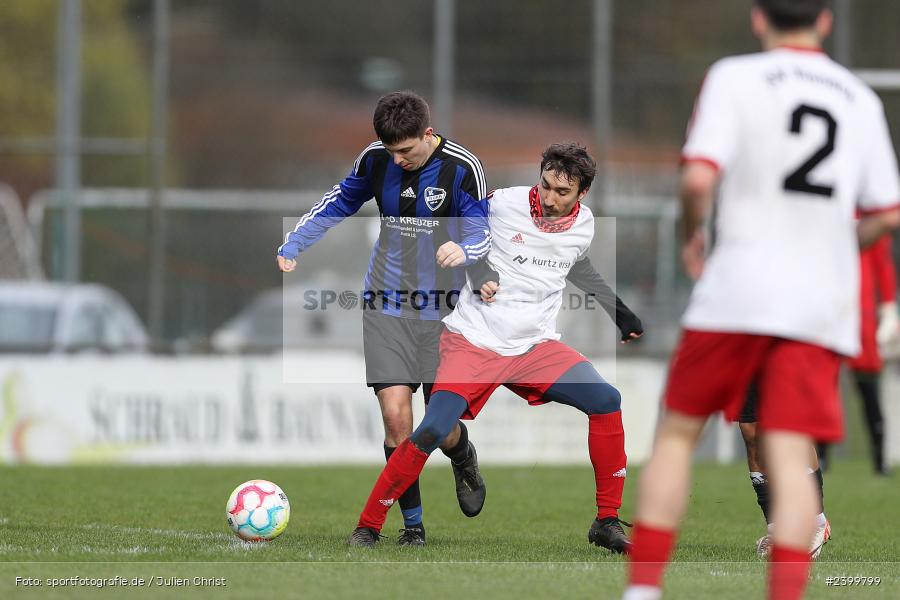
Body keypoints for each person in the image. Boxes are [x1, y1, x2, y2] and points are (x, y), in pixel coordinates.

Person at [623, 2, 900, 599]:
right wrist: (832, 246)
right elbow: (886, 212)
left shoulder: (735, 76)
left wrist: (691, 234)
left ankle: (643, 590)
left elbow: (698, 179)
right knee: (786, 439)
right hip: (816, 302)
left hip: (737, 288)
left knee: (676, 436)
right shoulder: (859, 98)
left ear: (758, 18)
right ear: (825, 20)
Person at [346, 142, 644, 552]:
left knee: (607, 399)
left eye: (563, 192)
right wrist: (480, 267)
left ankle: (606, 522)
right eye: (546, 186)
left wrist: (619, 311)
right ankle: (368, 525)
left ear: (582, 195)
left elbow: (574, 262)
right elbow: (461, 228)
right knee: (432, 428)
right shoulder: (503, 204)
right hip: (472, 341)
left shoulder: (585, 224)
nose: (550, 198)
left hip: (534, 347)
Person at [277, 91, 490, 546]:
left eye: (406, 151)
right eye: (391, 150)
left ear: (427, 135)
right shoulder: (376, 159)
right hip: (385, 304)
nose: (398, 160)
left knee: (441, 425)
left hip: (445, 314)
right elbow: (337, 202)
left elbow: (480, 230)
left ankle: (462, 452)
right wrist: (293, 243)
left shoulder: (462, 168)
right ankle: (412, 526)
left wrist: (466, 250)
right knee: (397, 419)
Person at [820, 235, 899, 475]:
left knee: (868, 389)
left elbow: (882, 264)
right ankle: (821, 457)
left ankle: (879, 458)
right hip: (829, 314)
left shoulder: (868, 215)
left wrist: (887, 308)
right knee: (823, 387)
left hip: (861, 317)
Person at [737, 387, 830, 559]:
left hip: (784, 361)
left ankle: (818, 523)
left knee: (792, 426)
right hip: (745, 360)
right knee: (750, 431)